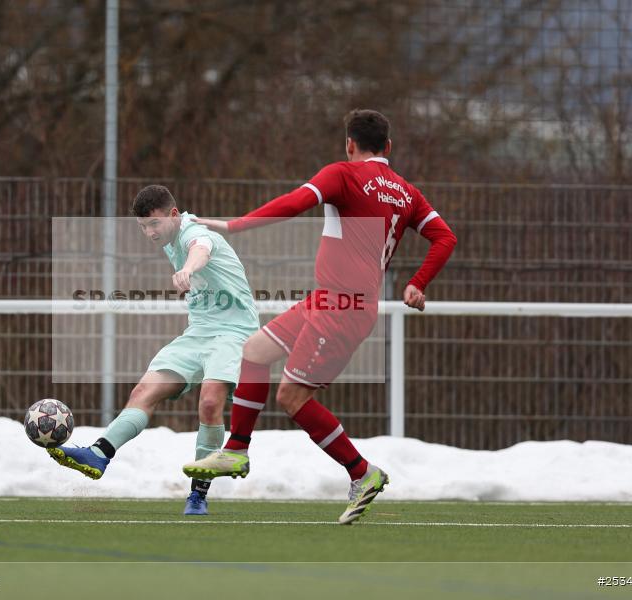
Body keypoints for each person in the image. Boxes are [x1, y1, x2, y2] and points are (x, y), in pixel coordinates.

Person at [182, 109, 457, 524]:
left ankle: (362, 473)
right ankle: (236, 450)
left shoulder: (343, 173)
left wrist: (234, 225)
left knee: (292, 397)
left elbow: (295, 202)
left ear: (350, 144)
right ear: (388, 147)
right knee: (254, 351)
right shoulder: (405, 192)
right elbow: (444, 236)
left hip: (341, 308)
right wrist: (418, 282)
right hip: (328, 300)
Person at [48, 184, 259, 516]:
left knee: (209, 401)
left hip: (234, 333)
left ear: (173, 215)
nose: (149, 232)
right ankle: (99, 453)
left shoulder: (193, 233)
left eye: (155, 224)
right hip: (199, 333)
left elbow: (200, 247)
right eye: (143, 227)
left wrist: (188, 269)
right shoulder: (171, 235)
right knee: (144, 389)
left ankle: (198, 495)